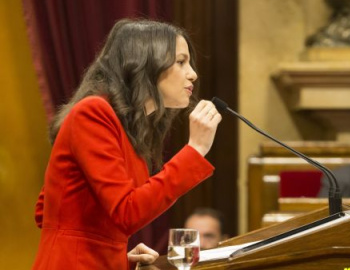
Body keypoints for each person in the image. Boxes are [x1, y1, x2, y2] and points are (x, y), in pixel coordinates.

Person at [32, 19, 222, 270]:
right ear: (147, 64)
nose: (193, 73)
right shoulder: (93, 112)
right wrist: (195, 150)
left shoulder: (129, 126)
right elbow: (125, 213)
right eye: (180, 61)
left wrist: (113, 250)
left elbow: (49, 209)